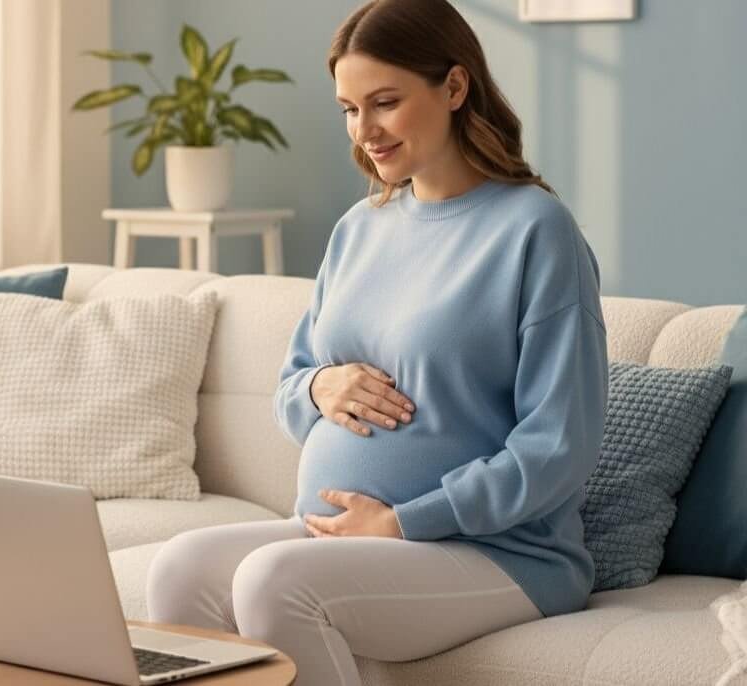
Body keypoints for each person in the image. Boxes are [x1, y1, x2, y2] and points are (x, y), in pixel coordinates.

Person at [145, 1, 609, 684]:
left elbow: (559, 446)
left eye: (385, 103)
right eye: (349, 109)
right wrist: (318, 387)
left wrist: (406, 521)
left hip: (499, 551)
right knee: (178, 567)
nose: (365, 131)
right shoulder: (359, 229)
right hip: (343, 535)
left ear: (454, 87)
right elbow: (291, 389)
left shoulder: (536, 231)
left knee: (275, 580)